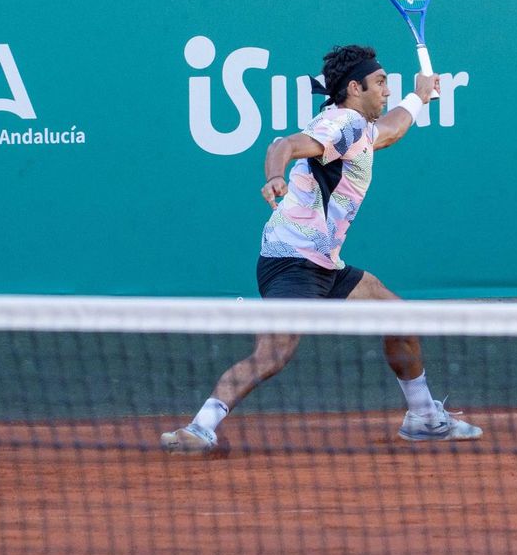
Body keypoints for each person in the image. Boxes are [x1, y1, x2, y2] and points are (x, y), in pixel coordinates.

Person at [161, 43, 482, 453]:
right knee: (274, 352)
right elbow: (285, 144)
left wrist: (418, 96)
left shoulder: (360, 129)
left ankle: (422, 418)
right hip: (292, 260)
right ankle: (200, 427)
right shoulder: (342, 122)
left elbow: (392, 131)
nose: (386, 90)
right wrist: (274, 177)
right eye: (380, 83)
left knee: (399, 318)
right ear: (354, 87)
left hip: (324, 263)